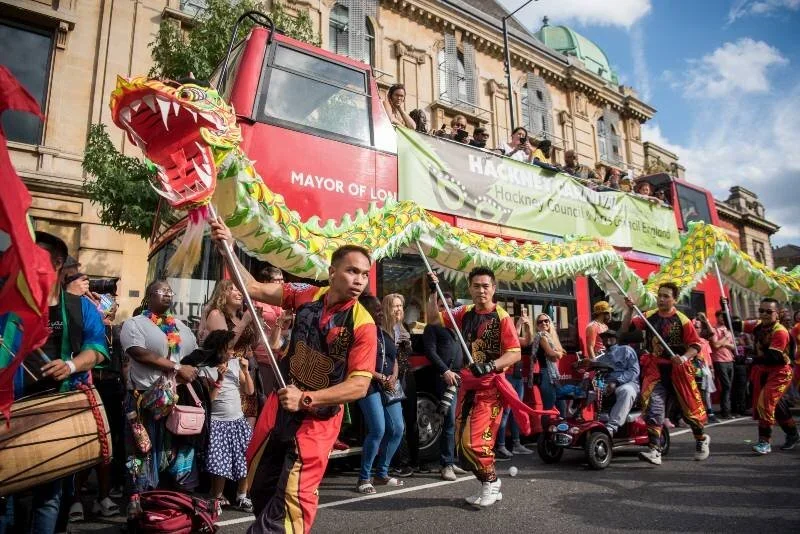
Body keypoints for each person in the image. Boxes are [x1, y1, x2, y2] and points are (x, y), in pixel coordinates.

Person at [209, 217, 376, 534]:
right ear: (332, 272)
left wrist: (308, 398)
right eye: (352, 270)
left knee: (290, 503)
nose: (359, 280)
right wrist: (228, 248)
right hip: (281, 407)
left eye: (364, 274)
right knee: (261, 487)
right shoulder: (306, 294)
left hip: (317, 419)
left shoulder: (363, 323)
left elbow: (359, 385)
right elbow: (254, 288)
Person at [10, 232, 109, 533]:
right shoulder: (12, 303)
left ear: (57, 262)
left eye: (35, 254)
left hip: (59, 410)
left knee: (49, 499)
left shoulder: (80, 308)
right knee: (8, 499)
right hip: (13, 408)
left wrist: (70, 365)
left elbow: (98, 350)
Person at [426, 267, 522, 508]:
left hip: (490, 387)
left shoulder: (502, 317)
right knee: (461, 443)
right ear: (469, 288)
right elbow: (433, 319)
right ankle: (486, 486)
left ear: (493, 288)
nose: (481, 290)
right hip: (468, 387)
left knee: (475, 442)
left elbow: (515, 353)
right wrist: (432, 294)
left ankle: (493, 482)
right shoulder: (464, 312)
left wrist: (490, 365)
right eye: (476, 286)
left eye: (485, 286)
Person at [120, 280, 199, 517]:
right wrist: (177, 367)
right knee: (140, 449)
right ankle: (136, 498)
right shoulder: (135, 323)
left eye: (169, 292)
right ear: (149, 295)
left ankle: (165, 505)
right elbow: (138, 352)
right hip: (143, 399)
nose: (166, 295)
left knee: (170, 452)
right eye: (161, 291)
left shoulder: (181, 327)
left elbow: (193, 355)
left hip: (174, 399)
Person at [621, 283, 710, 465]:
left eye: (666, 296)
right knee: (655, 408)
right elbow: (625, 330)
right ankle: (655, 449)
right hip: (655, 370)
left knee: (689, 411)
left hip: (678, 370)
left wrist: (684, 358)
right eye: (659, 295)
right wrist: (629, 310)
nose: (661, 299)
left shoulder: (683, 320)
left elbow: (695, 345)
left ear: (674, 299)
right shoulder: (649, 317)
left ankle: (701, 439)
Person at [198, 329, 255, 514]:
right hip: (217, 423)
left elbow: (250, 391)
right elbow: (209, 400)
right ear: (217, 349)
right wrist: (220, 379)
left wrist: (246, 371)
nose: (232, 352)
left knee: (243, 460)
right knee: (218, 464)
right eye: (229, 348)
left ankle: (241, 496)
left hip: (237, 421)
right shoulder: (205, 369)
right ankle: (217, 497)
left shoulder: (235, 364)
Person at [355, 294, 406, 494]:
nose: (379, 312)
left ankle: (381, 473)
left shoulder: (386, 331)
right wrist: (379, 377)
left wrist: (393, 375)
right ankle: (363, 478)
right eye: (375, 309)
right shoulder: (361, 331)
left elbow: (393, 358)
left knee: (398, 429)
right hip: (368, 384)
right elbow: (359, 363)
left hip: (388, 384)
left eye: (380, 308)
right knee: (378, 429)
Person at [741, 298, 799, 453]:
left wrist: (750, 359)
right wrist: (724, 306)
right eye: (761, 311)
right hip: (763, 371)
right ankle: (793, 434)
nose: (764, 314)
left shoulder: (780, 331)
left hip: (780, 372)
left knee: (765, 402)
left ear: (777, 313)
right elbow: (735, 325)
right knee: (777, 406)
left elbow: (774, 357)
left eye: (768, 311)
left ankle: (764, 442)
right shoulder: (758, 325)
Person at [422, 292, 468, 481]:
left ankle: (451, 460)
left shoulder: (457, 328)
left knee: (454, 422)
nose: (446, 310)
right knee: (448, 421)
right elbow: (431, 352)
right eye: (442, 306)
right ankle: (446, 464)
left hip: (458, 378)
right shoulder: (432, 327)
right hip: (444, 378)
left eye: (450, 306)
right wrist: (445, 371)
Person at [593, 330, 640, 436]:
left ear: (616, 339)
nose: (607, 338)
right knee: (589, 390)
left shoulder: (626, 350)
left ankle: (611, 427)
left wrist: (616, 382)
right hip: (607, 385)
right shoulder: (601, 358)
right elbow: (595, 374)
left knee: (625, 391)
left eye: (611, 336)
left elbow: (634, 371)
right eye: (604, 337)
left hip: (627, 383)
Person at [703, 310, 735, 419]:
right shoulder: (714, 329)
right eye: (721, 316)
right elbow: (715, 345)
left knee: (729, 386)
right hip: (719, 360)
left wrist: (724, 343)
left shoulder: (728, 329)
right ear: (717, 317)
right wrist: (726, 339)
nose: (723, 319)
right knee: (726, 386)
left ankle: (728, 409)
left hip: (730, 359)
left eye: (725, 317)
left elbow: (734, 346)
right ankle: (725, 411)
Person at [532, 312, 566, 416]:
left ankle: (561, 429)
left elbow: (561, 353)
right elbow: (552, 353)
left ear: (550, 322)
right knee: (549, 406)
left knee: (561, 404)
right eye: (540, 322)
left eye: (546, 321)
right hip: (546, 374)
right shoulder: (541, 336)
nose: (544, 323)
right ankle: (546, 431)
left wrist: (557, 353)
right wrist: (557, 353)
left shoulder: (551, 337)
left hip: (553, 374)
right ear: (537, 325)